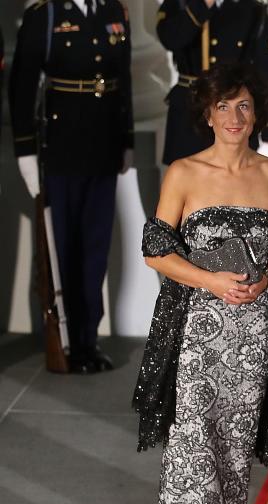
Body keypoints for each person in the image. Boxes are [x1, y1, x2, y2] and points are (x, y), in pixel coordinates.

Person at [93, 63, 268, 504]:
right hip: (197, 335)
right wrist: (210, 281)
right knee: (191, 458)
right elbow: (155, 249)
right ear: (206, 114)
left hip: (254, 336)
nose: (234, 118)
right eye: (223, 107)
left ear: (256, 113)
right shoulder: (185, 172)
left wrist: (266, 279)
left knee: (232, 463)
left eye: (243, 107)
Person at [8, 0, 134, 373]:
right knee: (62, 248)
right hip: (61, 149)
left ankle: (87, 339)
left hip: (103, 145)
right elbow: (22, 85)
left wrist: (125, 138)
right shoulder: (44, 14)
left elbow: (122, 77)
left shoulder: (114, 11)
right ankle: (62, 337)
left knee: (95, 248)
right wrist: (25, 152)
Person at [157, 0, 268, 164]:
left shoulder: (253, 9)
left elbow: (266, 75)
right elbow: (170, 38)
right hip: (188, 117)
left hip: (234, 117)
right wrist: (203, 5)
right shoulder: (179, 4)